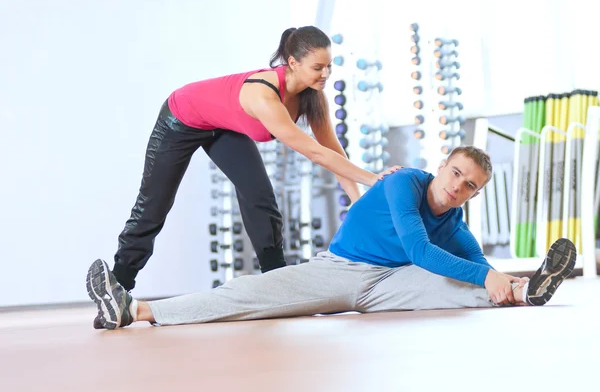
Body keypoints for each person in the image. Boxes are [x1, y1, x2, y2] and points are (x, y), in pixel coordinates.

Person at [87, 146, 577, 330]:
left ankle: (527, 292)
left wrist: (500, 279)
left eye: (470, 186)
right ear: (442, 166)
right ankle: (132, 309)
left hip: (389, 284)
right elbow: (417, 250)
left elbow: (472, 259)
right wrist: (487, 273)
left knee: (467, 287)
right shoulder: (404, 182)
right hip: (341, 270)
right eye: (455, 173)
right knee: (250, 294)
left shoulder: (455, 221)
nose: (458, 187)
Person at [107, 25, 400, 295]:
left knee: (259, 196)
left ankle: (276, 283)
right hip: (181, 118)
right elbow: (314, 152)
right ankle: (118, 285)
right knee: (154, 204)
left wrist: (358, 200)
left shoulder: (313, 97)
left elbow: (333, 151)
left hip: (222, 127)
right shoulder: (264, 95)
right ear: (293, 63)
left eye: (329, 66)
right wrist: (374, 178)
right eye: (317, 67)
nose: (325, 74)